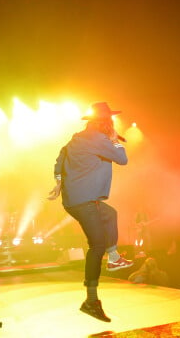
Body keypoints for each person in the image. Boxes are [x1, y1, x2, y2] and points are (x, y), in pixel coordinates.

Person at [48, 102, 134, 322]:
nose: (111, 123)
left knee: (110, 214)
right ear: (105, 122)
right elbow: (123, 160)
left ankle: (113, 257)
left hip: (74, 201)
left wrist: (58, 183)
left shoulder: (76, 139)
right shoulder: (99, 139)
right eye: (109, 120)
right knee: (96, 246)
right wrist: (114, 140)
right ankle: (91, 301)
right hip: (86, 202)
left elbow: (60, 159)